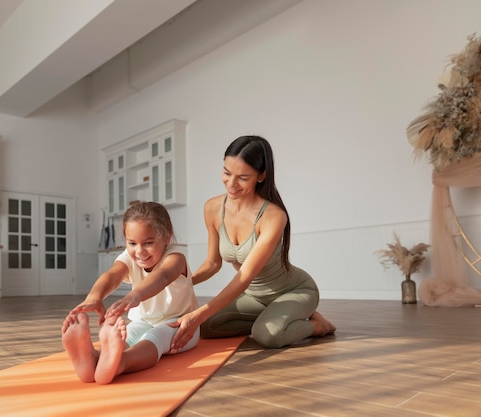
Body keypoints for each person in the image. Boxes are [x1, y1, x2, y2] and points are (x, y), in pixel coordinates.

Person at [169, 135, 335, 351]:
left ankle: (316, 325)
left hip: (293, 291)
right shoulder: (212, 208)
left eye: (243, 177)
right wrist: (178, 283)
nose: (231, 184)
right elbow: (212, 263)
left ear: (261, 176)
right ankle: (272, 317)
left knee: (267, 336)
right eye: (227, 173)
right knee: (208, 327)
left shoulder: (273, 216)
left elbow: (245, 276)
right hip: (254, 297)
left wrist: (197, 314)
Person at [61, 202, 199, 384]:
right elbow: (113, 275)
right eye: (132, 243)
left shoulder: (175, 258)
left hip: (181, 323)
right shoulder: (129, 256)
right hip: (142, 321)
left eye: (148, 243)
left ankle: (120, 364)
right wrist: (94, 297)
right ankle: (94, 358)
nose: (139, 251)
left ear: (166, 237)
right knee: (130, 334)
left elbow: (163, 277)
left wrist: (135, 296)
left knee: (156, 336)